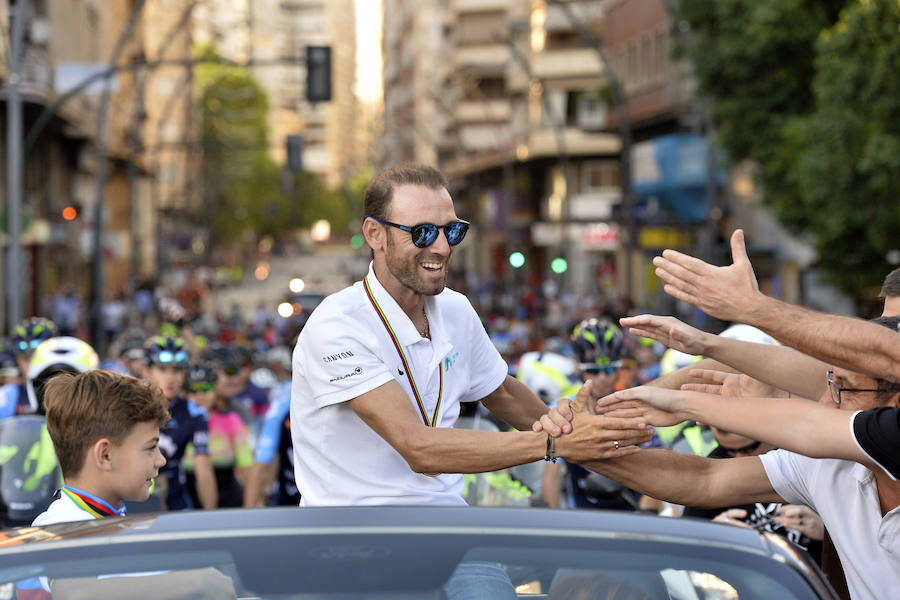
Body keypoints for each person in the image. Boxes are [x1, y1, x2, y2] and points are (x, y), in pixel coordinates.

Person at [291, 163, 652, 510]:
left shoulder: (455, 309)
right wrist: (553, 443)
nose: (443, 247)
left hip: (447, 523)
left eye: (453, 231)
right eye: (423, 233)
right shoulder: (336, 325)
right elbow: (418, 447)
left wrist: (573, 429)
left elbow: (502, 391)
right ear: (375, 234)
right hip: (351, 535)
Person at [542, 316, 900, 600]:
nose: (825, 402)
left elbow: (805, 421)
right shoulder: (822, 464)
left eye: (843, 389)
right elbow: (704, 480)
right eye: (827, 383)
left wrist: (747, 310)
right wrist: (587, 444)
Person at [20, 369, 235, 599]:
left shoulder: (107, 518)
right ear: (105, 455)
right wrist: (194, 582)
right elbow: (76, 592)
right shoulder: (60, 523)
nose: (161, 460)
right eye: (151, 447)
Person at [652, 228, 900, 382]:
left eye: (895, 329)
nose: (883, 336)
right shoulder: (862, 393)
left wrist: (751, 307)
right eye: (882, 324)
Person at [541, 319, 642, 511]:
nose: (602, 378)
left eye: (609, 369)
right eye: (593, 371)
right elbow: (551, 475)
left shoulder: (634, 406)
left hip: (631, 517)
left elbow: (653, 470)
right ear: (579, 369)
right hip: (583, 519)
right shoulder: (561, 409)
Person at [143, 336, 217, 511]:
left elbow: (203, 469)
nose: (170, 378)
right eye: (162, 369)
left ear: (184, 374)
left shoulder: (195, 413)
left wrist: (212, 517)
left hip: (175, 502)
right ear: (146, 370)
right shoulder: (128, 404)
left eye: (176, 370)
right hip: (131, 500)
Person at [182, 363, 253, 508]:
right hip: (185, 504)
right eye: (193, 390)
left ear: (215, 391)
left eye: (206, 388)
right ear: (184, 394)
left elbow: (246, 467)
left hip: (229, 504)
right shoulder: (175, 424)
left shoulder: (231, 420)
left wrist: (253, 504)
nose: (200, 395)